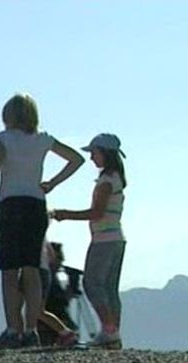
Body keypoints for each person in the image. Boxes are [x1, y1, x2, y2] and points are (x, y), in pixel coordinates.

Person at [0, 93, 84, 348]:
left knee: (9, 270)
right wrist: (52, 183)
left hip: (11, 204)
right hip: (36, 204)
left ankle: (12, 329)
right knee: (31, 270)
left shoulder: (4, 138)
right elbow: (76, 159)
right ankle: (30, 330)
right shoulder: (43, 140)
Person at [53, 133, 127, 349]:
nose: (92, 158)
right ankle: (113, 333)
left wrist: (65, 214)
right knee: (109, 288)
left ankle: (109, 331)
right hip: (116, 238)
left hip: (103, 240)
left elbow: (96, 212)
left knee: (92, 284)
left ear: (105, 153)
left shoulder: (105, 181)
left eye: (94, 153)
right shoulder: (117, 179)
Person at [35, 241, 78, 347]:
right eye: (59, 259)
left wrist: (71, 287)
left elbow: (63, 302)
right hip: (47, 324)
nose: (60, 262)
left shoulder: (51, 278)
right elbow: (60, 302)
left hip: (54, 320)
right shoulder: (47, 279)